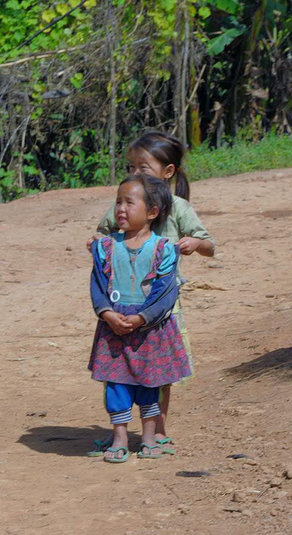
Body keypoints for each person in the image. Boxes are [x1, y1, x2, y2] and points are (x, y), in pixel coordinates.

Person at [86, 131, 216, 457]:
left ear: (167, 172)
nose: (134, 174)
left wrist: (194, 244)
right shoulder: (124, 205)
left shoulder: (179, 208)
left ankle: (157, 429)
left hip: (164, 307)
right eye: (131, 167)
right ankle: (124, 430)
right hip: (122, 305)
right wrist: (96, 245)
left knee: (161, 371)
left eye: (143, 168)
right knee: (118, 367)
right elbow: (102, 237)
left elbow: (209, 245)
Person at [88, 174, 192, 463]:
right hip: (113, 329)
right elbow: (97, 284)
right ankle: (120, 436)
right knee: (116, 384)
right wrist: (108, 313)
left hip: (151, 330)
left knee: (150, 385)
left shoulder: (164, 250)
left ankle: (148, 436)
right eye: (118, 201)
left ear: (152, 212)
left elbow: (165, 291)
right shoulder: (104, 248)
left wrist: (142, 318)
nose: (120, 208)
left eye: (129, 203)